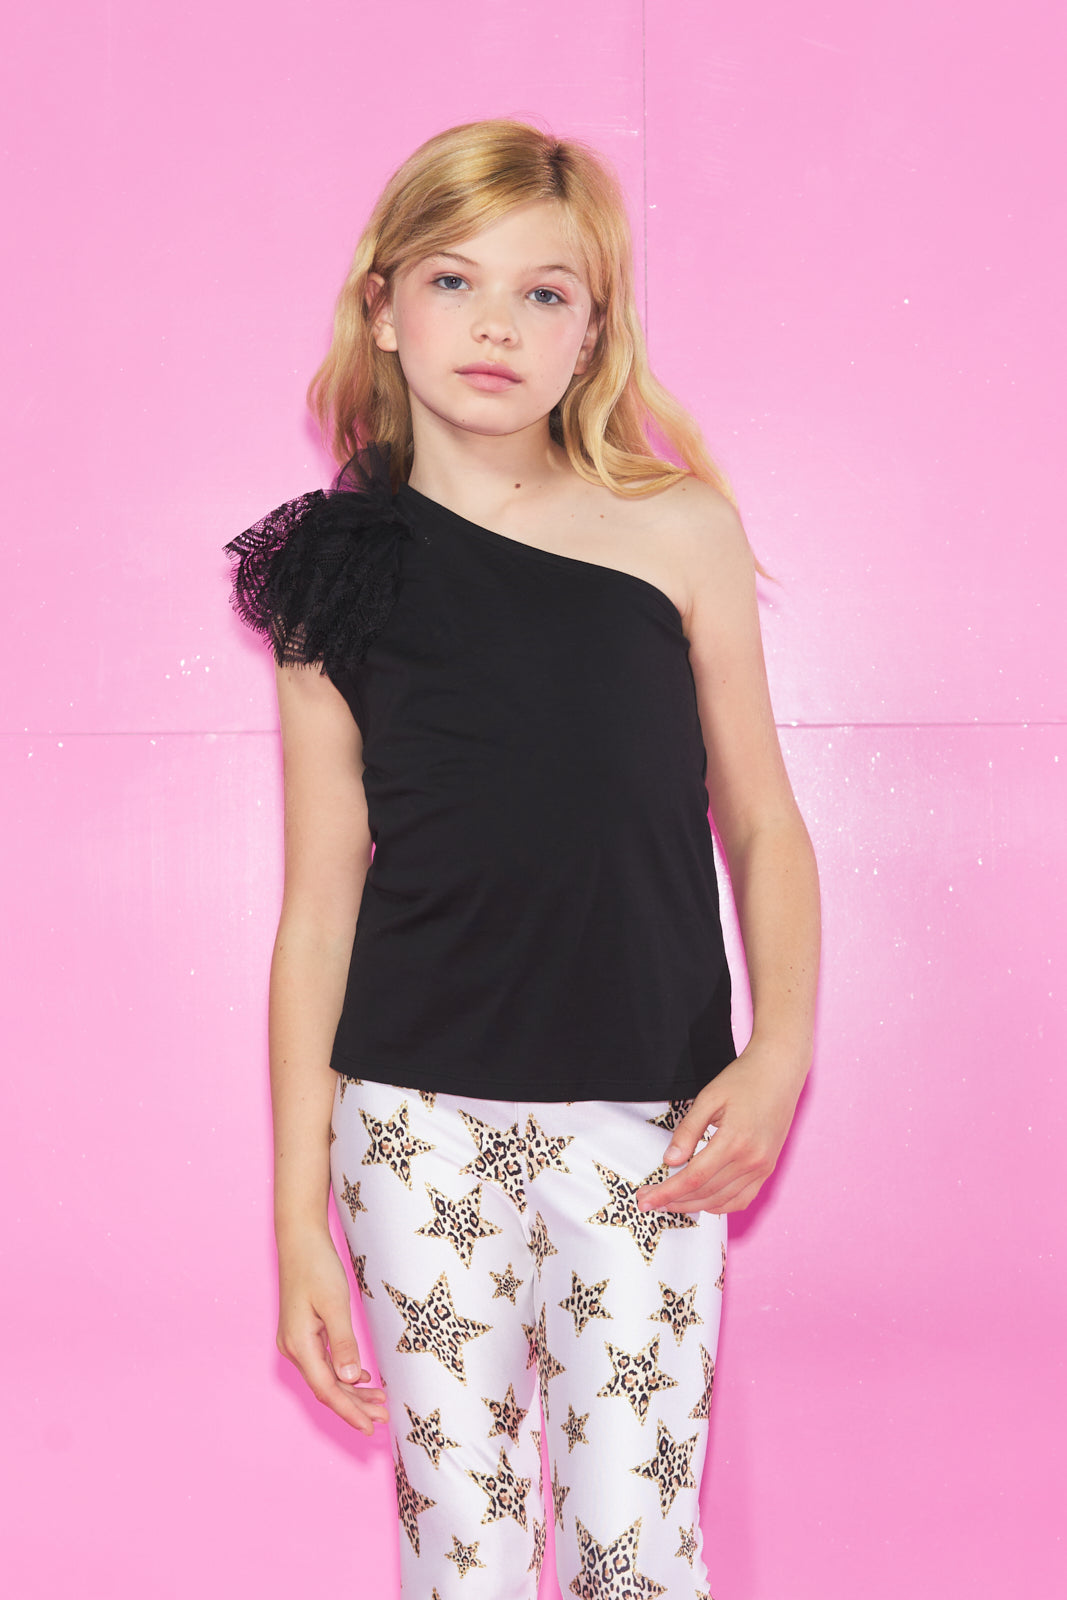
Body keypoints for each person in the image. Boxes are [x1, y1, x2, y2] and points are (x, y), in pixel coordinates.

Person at [226, 118, 820, 1600]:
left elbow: (762, 820)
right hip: (412, 1127)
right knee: (466, 1551)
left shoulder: (676, 529)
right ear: (383, 307)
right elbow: (321, 903)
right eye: (454, 279)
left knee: (637, 1553)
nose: (496, 323)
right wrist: (297, 1218)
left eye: (544, 292)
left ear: (591, 331)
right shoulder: (333, 565)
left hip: (650, 1128)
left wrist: (778, 1054)